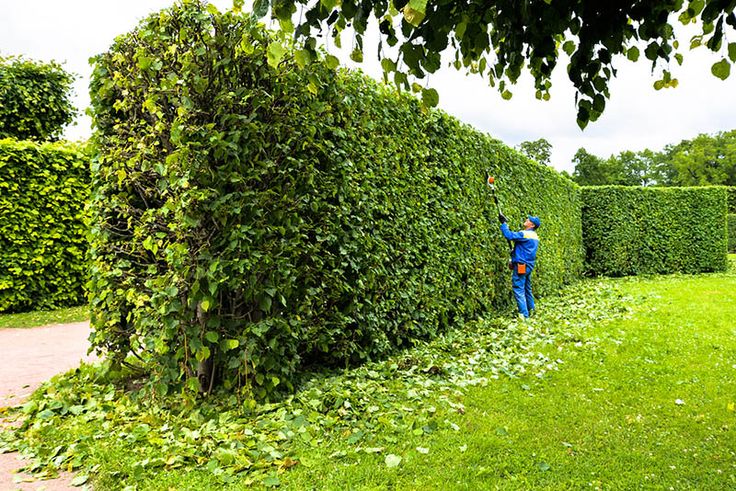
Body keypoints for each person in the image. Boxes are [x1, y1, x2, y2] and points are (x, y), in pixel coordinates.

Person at [498, 213, 541, 318]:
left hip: (521, 265)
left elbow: (508, 235)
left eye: (529, 219)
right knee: (527, 289)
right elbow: (524, 250)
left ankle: (524, 316)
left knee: (518, 288)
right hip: (529, 266)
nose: (527, 219)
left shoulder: (525, 234)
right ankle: (532, 311)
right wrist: (515, 253)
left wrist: (503, 224)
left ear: (532, 225)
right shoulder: (535, 236)